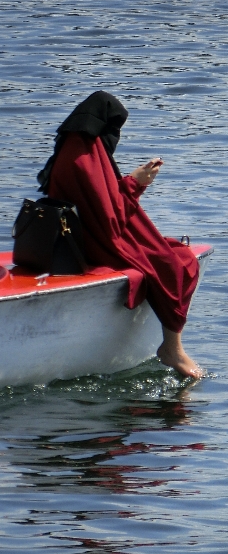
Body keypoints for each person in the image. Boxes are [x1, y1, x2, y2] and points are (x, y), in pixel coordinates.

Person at [36, 91, 202, 379]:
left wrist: (131, 182)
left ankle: (172, 347)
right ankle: (172, 348)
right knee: (171, 262)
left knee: (171, 252)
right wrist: (136, 183)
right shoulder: (84, 157)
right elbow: (110, 220)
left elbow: (103, 206)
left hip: (82, 238)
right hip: (98, 243)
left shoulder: (74, 148)